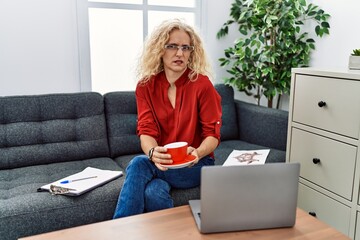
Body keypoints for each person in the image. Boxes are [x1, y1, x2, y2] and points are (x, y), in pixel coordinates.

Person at [113, 19, 222, 219]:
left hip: (196, 165)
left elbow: (212, 136)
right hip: (162, 164)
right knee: (153, 192)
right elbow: (146, 131)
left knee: (139, 163)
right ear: (160, 49)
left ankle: (119, 231)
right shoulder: (146, 86)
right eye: (172, 46)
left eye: (185, 48)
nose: (179, 53)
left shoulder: (203, 85)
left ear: (192, 52)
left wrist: (196, 153)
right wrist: (153, 152)